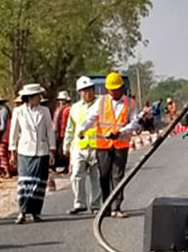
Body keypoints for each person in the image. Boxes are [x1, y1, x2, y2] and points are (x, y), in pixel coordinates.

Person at [81, 71, 140, 217]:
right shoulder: (101, 102)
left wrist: (120, 132)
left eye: (115, 89)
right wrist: (83, 129)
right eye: (110, 90)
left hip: (120, 145)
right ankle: (106, 206)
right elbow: (91, 117)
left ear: (121, 88)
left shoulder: (130, 103)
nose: (113, 92)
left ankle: (116, 207)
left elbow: (134, 123)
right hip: (103, 145)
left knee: (117, 176)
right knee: (104, 176)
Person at [8, 83, 57, 223]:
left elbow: (49, 131)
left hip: (41, 151)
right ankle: (22, 211)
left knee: (39, 182)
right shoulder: (18, 112)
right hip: (25, 151)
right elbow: (14, 132)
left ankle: (36, 212)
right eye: (37, 96)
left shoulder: (45, 111)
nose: (39, 98)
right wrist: (12, 152)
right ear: (29, 97)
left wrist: (52, 150)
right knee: (25, 182)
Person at [63, 75, 102, 214]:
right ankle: (80, 203)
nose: (88, 93)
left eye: (90, 89)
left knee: (96, 177)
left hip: (97, 146)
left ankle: (96, 205)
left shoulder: (101, 104)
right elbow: (70, 128)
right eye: (84, 90)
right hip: (79, 147)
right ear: (79, 92)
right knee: (76, 175)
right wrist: (66, 145)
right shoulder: (74, 108)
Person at [0, 93, 13, 178]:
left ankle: (7, 171)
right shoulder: (5, 110)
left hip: (4, 135)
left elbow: (3, 125)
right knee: (3, 153)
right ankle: (4, 171)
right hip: (7, 134)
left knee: (2, 153)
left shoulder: (3, 111)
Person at [53, 90, 72, 171]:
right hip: (58, 131)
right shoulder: (58, 109)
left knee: (64, 149)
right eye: (60, 100)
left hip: (64, 131)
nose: (61, 101)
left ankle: (66, 166)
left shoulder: (68, 109)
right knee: (58, 149)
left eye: (62, 100)